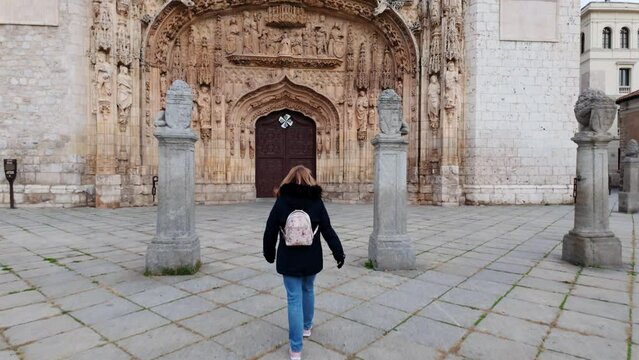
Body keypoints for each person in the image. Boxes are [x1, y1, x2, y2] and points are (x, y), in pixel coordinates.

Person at [263, 165, 345, 360]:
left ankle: (296, 350)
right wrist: (338, 252)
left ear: (289, 179)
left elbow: (270, 230)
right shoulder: (316, 203)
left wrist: (269, 253)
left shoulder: (281, 201)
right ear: (310, 180)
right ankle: (307, 327)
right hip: (311, 258)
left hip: (288, 259)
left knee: (293, 299)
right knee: (308, 289)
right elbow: (328, 230)